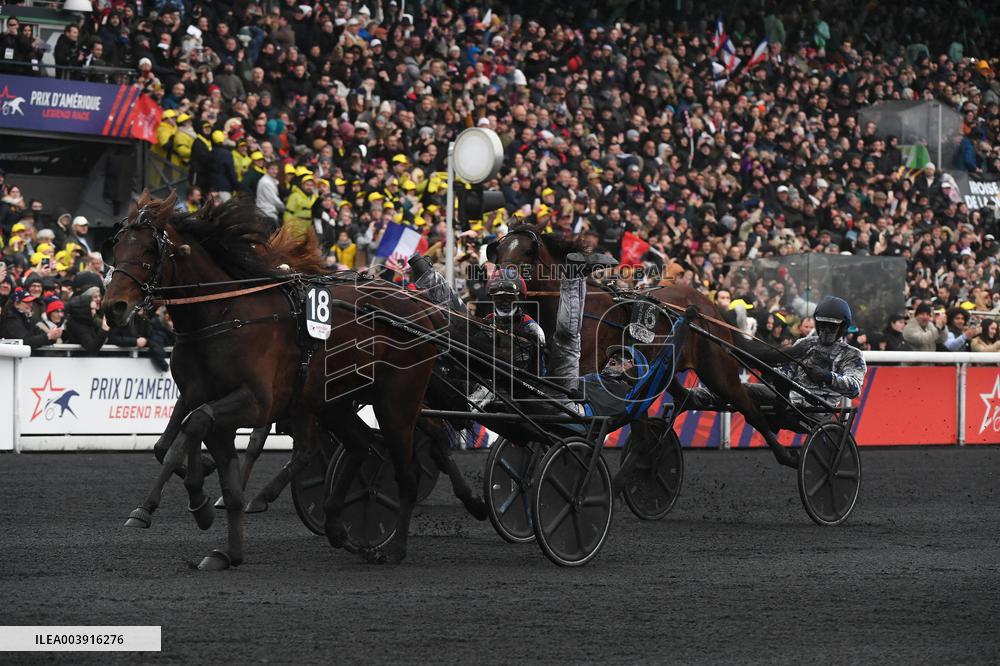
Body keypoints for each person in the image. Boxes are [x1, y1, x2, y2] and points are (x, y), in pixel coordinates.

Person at [680, 296, 868, 414]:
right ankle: (693, 396)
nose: (826, 330)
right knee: (740, 389)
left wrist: (827, 376)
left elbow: (854, 388)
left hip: (816, 406)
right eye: (823, 324)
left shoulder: (852, 355)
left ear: (842, 327)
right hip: (784, 397)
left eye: (832, 326)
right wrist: (775, 373)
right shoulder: (804, 344)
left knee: (768, 393)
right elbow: (788, 370)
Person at [484, 270, 546, 374]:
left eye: (509, 297)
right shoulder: (485, 324)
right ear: (492, 298)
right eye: (499, 298)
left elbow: (538, 372)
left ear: (519, 297)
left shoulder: (532, 330)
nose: (504, 301)